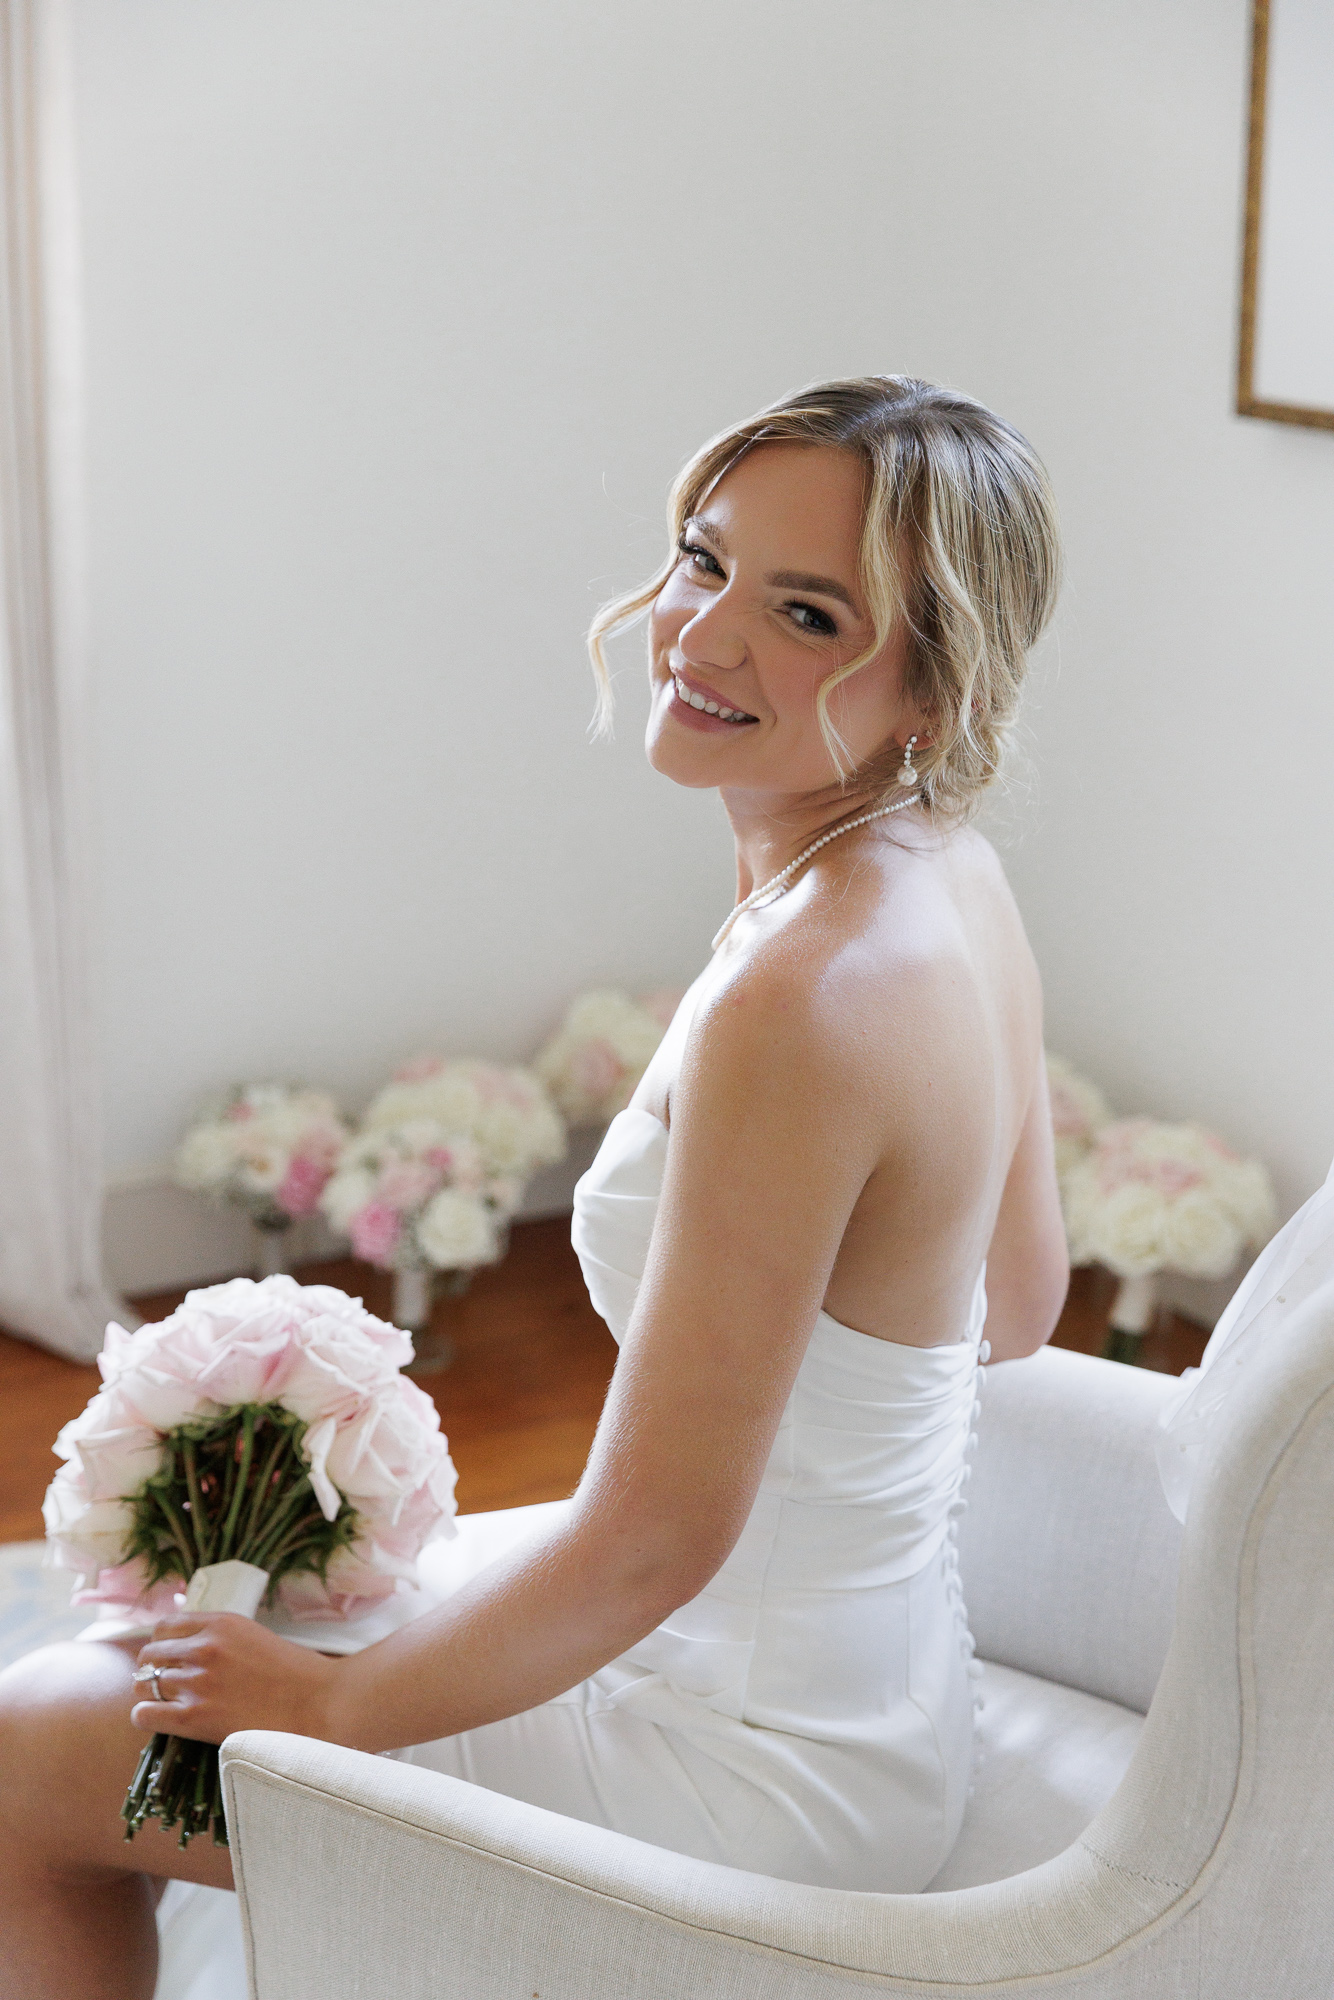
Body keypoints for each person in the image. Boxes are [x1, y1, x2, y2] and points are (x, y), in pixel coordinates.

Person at [0, 375, 1069, 1998]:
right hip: (875, 1687)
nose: (703, 638)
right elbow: (1014, 1309)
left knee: (26, 1753)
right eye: (703, 562)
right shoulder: (948, 878)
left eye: (803, 612)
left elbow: (654, 1545)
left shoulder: (812, 996)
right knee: (247, 1616)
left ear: (934, 685)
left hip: (749, 1772)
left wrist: (326, 1710)